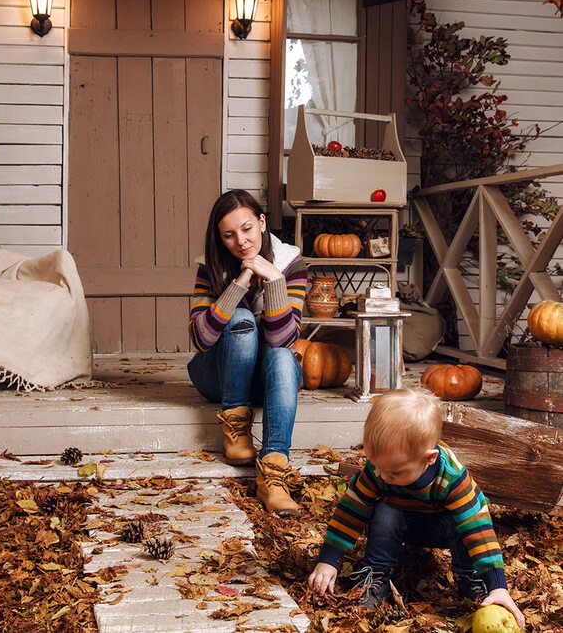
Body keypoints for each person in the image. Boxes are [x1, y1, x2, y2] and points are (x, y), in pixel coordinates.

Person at [307, 388, 525, 631]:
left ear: (429, 458)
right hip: (400, 525)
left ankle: (469, 576)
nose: (384, 477)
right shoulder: (380, 470)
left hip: (444, 530)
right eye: (378, 468)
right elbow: (350, 510)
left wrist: (498, 587)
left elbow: (480, 531)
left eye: (394, 472)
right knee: (384, 510)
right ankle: (376, 574)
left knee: (465, 521)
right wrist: (329, 559)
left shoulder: (452, 478)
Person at [187, 189, 308, 516]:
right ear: (220, 238)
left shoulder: (290, 264)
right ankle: (236, 429)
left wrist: (274, 280)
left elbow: (284, 340)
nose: (240, 241)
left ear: (262, 223)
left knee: (284, 357)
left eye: (247, 229)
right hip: (218, 376)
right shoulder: (209, 267)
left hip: (266, 378)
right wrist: (240, 282)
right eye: (229, 235)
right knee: (240, 319)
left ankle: (273, 474)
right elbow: (200, 338)